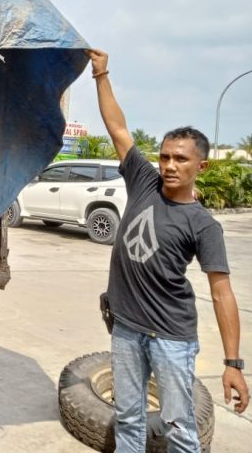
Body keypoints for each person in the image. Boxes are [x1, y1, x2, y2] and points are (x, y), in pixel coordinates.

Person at [88, 49, 249, 452]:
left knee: (178, 429)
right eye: (164, 156)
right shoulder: (143, 181)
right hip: (126, 329)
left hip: (171, 339)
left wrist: (233, 365)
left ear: (202, 167)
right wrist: (102, 74)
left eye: (181, 159)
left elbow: (221, 292)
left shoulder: (203, 225)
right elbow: (118, 129)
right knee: (128, 419)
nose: (169, 165)